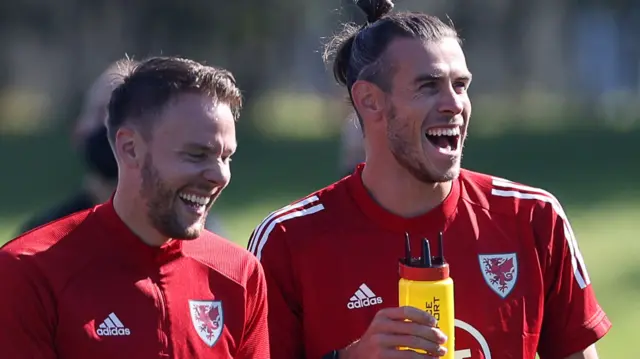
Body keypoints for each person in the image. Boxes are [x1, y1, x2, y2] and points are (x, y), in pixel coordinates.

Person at [247, 1, 611, 358]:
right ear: (370, 100)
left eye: (460, 85)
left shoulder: (532, 218)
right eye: (428, 86)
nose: (453, 103)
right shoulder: (287, 240)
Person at [0, 56, 270, 358]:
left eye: (226, 157)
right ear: (130, 148)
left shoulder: (238, 274)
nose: (219, 175)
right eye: (197, 154)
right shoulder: (30, 271)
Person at [18, 60, 227, 236]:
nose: (114, 128)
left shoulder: (197, 230)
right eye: (103, 112)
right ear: (78, 131)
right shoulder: (42, 236)